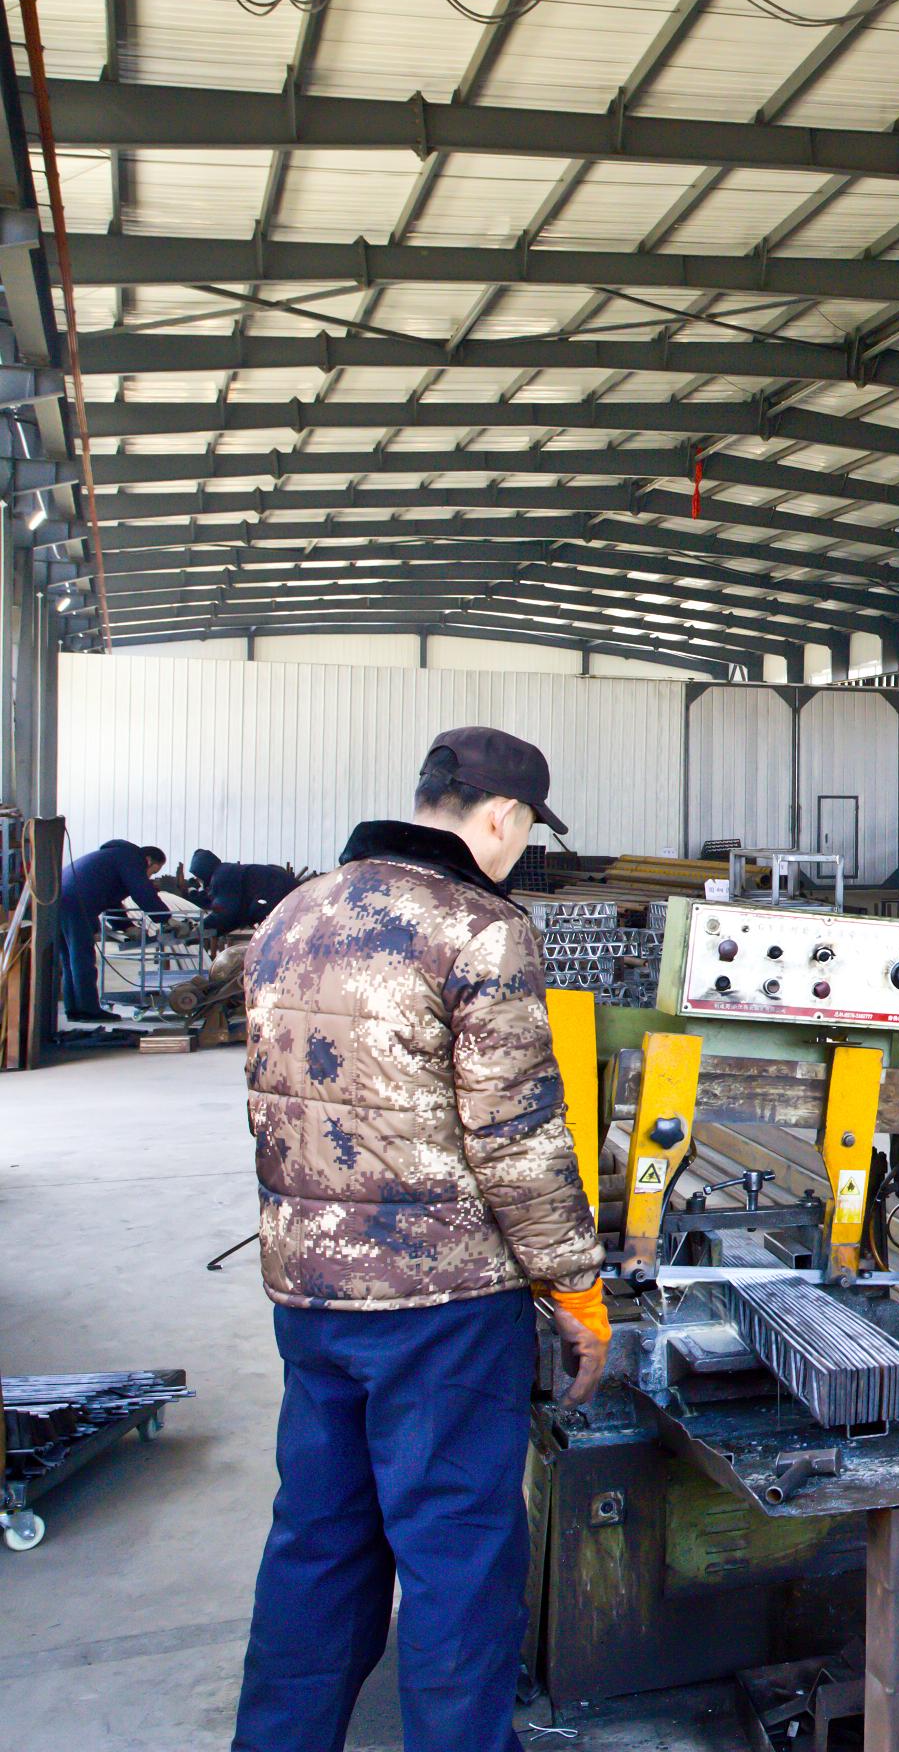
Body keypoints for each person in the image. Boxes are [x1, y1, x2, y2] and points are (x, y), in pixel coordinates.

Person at [232, 727, 609, 1752]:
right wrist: (576, 1291)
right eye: (525, 830)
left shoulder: (296, 912)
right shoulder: (481, 929)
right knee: (455, 1564)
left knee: (319, 1546)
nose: (521, 849)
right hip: (442, 1310)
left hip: (308, 1296)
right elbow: (517, 1138)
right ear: (500, 817)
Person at [55, 837, 170, 1021]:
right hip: (76, 904)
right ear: (148, 861)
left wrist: (126, 926)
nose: (148, 877)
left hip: (59, 900)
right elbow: (142, 891)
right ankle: (89, 1011)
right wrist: (166, 919)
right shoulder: (131, 858)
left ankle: (75, 1009)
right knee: (82, 957)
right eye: (152, 872)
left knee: (70, 958)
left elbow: (111, 899)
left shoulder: (114, 857)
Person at [185, 848, 300, 938]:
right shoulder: (226, 873)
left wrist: (201, 928)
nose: (198, 880)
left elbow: (225, 913)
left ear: (203, 872)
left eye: (198, 876)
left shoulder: (222, 878)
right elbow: (229, 911)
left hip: (288, 904)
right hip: (295, 899)